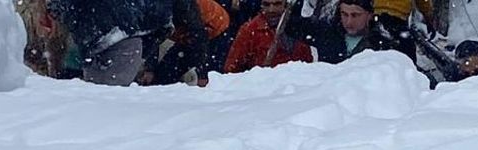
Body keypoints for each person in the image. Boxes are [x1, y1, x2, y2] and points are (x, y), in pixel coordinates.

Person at [48, 0, 211, 86]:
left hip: (95, 34)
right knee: (108, 99)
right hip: (122, 34)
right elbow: (154, 26)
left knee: (96, 95)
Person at [286, 0, 394, 64]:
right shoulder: (326, 32)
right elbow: (290, 26)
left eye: (355, 15)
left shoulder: (382, 43)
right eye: (344, 14)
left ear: (369, 15)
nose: (349, 21)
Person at [223, 0, 313, 74]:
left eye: (277, 4)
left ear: (286, 4)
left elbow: (309, 65)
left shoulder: (299, 28)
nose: (271, 9)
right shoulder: (249, 30)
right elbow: (231, 70)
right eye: (266, 4)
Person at [152, 0, 230, 84]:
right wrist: (150, 67)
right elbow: (153, 38)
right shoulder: (153, 9)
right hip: (187, 33)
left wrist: (202, 73)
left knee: (212, 76)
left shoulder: (185, 7)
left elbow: (199, 38)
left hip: (215, 29)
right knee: (164, 72)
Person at [371, 0, 435, 59]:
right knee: (408, 53)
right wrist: (428, 18)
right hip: (397, 17)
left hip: (379, 15)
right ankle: (407, 68)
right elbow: (423, 2)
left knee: (378, 48)